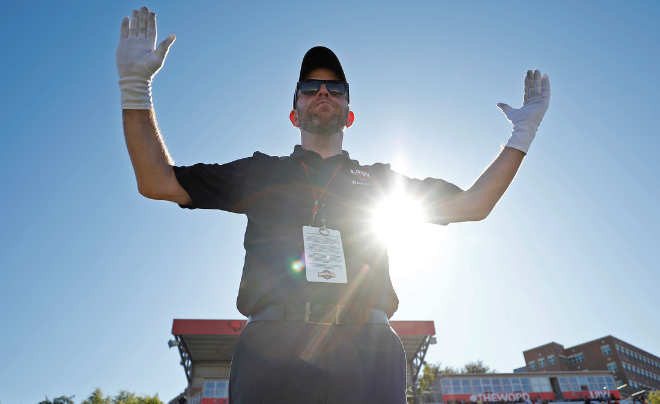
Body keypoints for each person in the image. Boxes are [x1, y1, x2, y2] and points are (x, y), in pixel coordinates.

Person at [116, 6, 550, 404]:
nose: (322, 91)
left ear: (348, 111)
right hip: (272, 344)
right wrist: (135, 88)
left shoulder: (381, 181)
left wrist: (522, 135)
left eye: (335, 88)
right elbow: (158, 182)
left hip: (370, 345)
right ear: (294, 113)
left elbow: (473, 205)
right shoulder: (259, 172)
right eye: (309, 87)